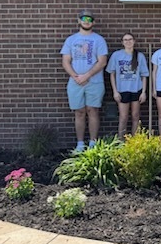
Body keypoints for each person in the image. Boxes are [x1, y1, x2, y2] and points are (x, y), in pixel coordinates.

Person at [60, 9, 108, 152]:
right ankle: (80, 144)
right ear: (79, 21)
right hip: (75, 82)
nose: (86, 22)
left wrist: (86, 76)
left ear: (93, 22)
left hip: (94, 82)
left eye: (89, 19)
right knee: (79, 112)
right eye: (84, 19)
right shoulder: (71, 40)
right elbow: (66, 61)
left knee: (92, 110)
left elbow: (102, 62)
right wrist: (76, 76)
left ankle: (93, 143)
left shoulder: (99, 40)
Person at [106, 32, 149, 136]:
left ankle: (134, 141)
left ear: (134, 41)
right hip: (122, 90)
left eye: (130, 39)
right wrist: (115, 91)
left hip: (136, 90)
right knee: (123, 117)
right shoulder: (117, 55)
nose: (128, 42)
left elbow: (144, 75)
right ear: (122, 42)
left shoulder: (139, 56)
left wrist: (143, 92)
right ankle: (121, 141)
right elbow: (112, 74)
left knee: (135, 116)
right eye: (125, 40)